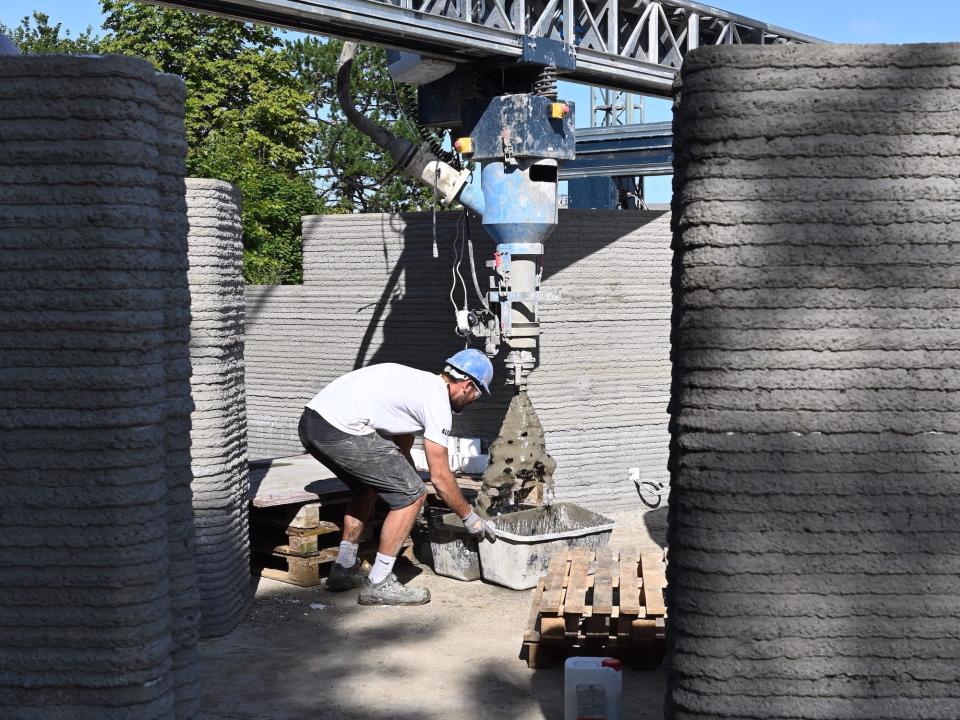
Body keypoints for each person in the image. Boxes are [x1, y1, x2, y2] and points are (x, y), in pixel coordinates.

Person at [298, 349, 497, 606]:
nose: (473, 401)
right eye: (477, 394)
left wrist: (409, 483)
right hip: (339, 429)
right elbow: (440, 477)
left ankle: (344, 568)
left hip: (311, 424)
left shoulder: (417, 387)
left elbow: (400, 452)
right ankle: (379, 583)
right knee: (412, 495)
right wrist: (470, 518)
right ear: (467, 386)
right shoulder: (436, 401)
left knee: (368, 489)